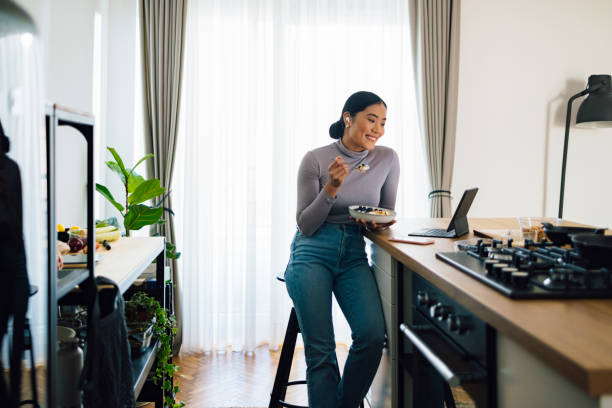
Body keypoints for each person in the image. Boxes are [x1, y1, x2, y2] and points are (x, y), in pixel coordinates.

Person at [284, 91, 400, 408]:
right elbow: (305, 225)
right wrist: (332, 188)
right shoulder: (316, 160)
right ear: (349, 118)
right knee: (321, 350)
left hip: (352, 253)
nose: (378, 129)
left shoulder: (387, 158)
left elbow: (387, 212)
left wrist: (379, 224)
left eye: (383, 123)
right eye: (371, 120)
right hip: (311, 253)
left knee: (372, 335)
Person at [0, 119, 30, 408]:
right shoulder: (11, 169)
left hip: (12, 274)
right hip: (13, 271)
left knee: (15, 349)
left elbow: (15, 228)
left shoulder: (10, 170)